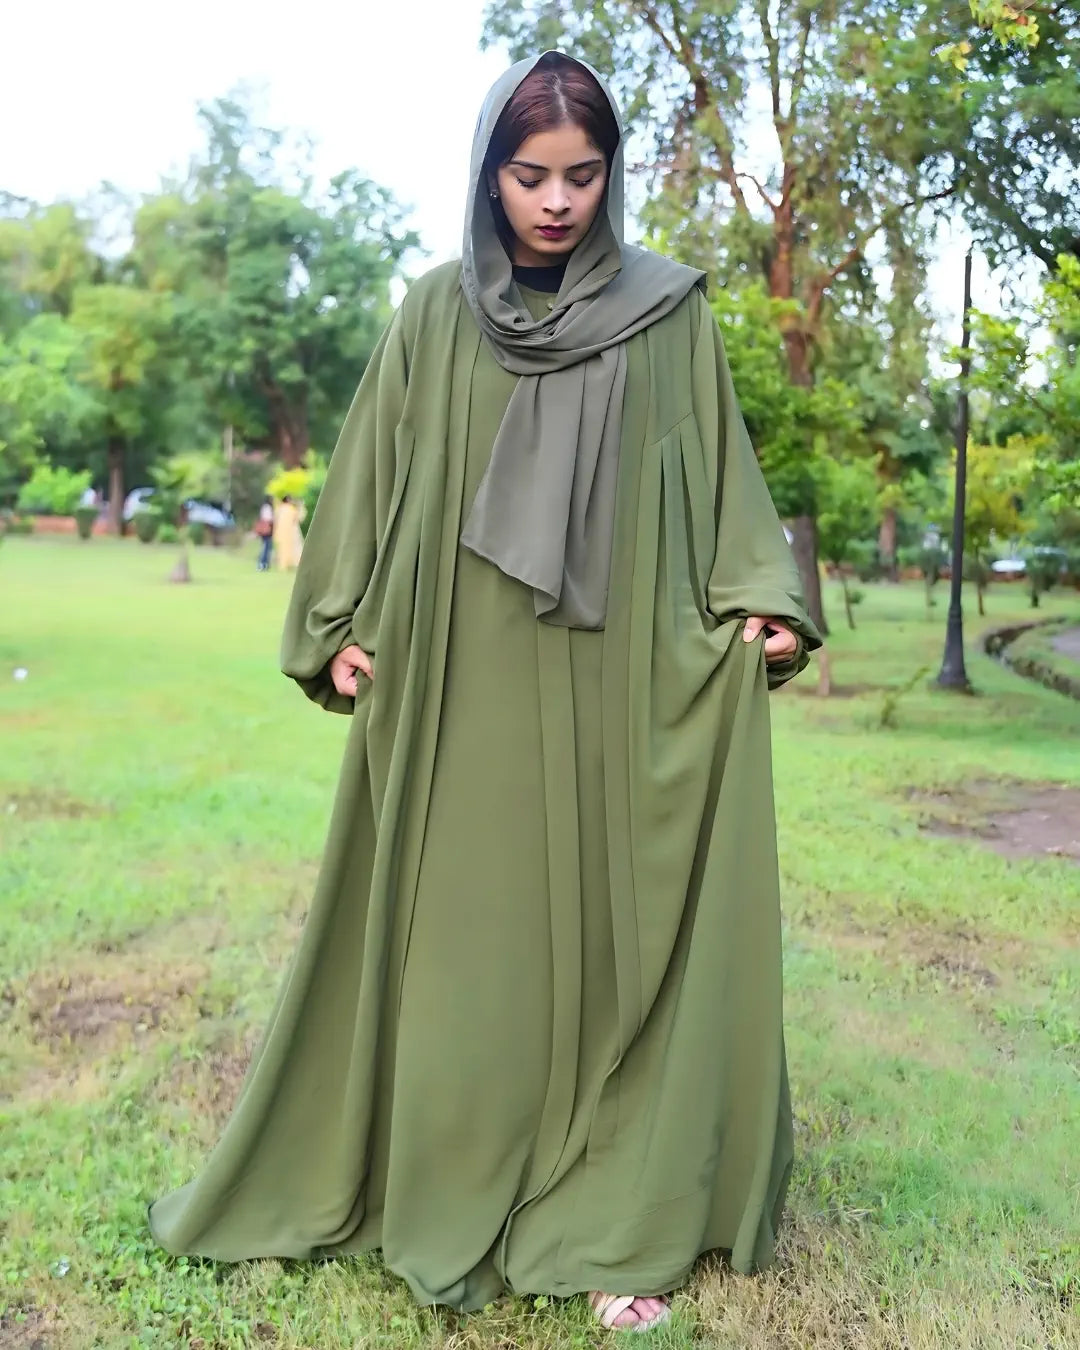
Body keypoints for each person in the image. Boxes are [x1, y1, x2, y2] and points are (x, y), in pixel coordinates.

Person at [149, 51, 821, 1334]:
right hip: (460, 677)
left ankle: (611, 1204)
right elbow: (373, 472)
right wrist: (337, 625)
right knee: (468, 949)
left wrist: (761, 602)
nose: (557, 201)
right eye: (529, 175)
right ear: (487, 174)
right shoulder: (433, 314)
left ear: (611, 175)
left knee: (618, 943)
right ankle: (453, 1173)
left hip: (619, 678)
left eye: (583, 174)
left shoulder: (669, 315)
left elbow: (717, 478)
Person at [272, 493, 304, 570]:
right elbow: (298, 519)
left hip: (281, 532)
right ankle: (289, 563)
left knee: (282, 548)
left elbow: (275, 520)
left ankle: (283, 564)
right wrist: (301, 507)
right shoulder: (291, 509)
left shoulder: (279, 509)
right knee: (290, 547)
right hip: (290, 532)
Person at [254, 496, 274, 571]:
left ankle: (264, 563)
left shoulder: (265, 507)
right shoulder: (267, 507)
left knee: (266, 547)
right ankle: (262, 563)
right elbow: (268, 518)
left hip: (266, 530)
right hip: (266, 530)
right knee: (265, 547)